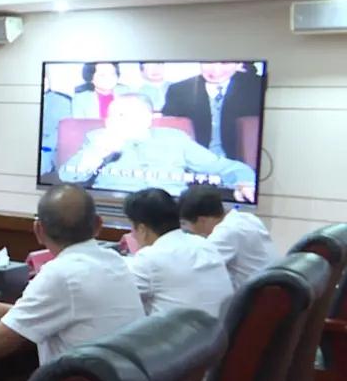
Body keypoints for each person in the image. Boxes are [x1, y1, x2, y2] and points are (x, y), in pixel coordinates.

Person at [0, 184, 144, 365]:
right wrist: (7, 311)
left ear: (38, 230)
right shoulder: (115, 261)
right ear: (98, 225)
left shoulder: (60, 273)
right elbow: (75, 314)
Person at [59, 94, 257, 201]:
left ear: (147, 118)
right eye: (112, 116)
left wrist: (244, 181)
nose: (114, 121)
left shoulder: (175, 138)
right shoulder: (97, 138)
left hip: (171, 212)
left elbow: (223, 167)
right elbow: (67, 177)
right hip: (117, 209)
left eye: (124, 115)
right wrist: (98, 153)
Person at [122, 188, 233, 317]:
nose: (132, 234)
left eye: (132, 227)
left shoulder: (150, 257)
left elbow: (119, 295)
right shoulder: (204, 244)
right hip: (220, 328)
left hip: (181, 330)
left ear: (142, 229)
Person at [179, 184, 278, 291]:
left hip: (255, 296)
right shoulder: (247, 218)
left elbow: (195, 270)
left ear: (202, 221)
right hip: (270, 290)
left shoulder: (227, 232)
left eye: (186, 225)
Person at [162, 61, 264, 160]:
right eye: (209, 62)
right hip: (194, 163)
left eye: (224, 63)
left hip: (241, 163)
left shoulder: (257, 86)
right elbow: (170, 135)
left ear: (238, 64)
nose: (216, 70)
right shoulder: (179, 90)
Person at [40, 73, 73, 175]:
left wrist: (44, 147)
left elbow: (64, 130)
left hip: (48, 149)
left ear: (46, 80)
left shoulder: (62, 101)